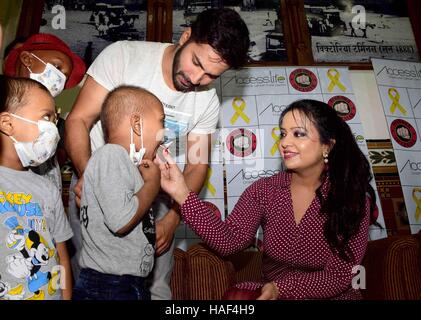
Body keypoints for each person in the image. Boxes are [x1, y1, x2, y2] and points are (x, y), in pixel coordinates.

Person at [64, 8, 250, 299]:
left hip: (156, 199)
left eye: (211, 75)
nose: (196, 78)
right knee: (89, 286)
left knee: (155, 290)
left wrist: (174, 218)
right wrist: (90, 177)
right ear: (185, 36)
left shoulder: (207, 102)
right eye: (196, 63)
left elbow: (197, 165)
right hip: (92, 182)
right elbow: (78, 120)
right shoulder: (123, 56)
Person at [158, 99, 378, 300]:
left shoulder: (353, 199)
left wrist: (281, 288)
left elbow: (340, 276)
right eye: (283, 134)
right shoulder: (265, 190)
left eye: (298, 134)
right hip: (271, 293)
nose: (285, 142)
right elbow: (229, 241)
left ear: (327, 146)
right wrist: (182, 194)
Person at [72, 86, 164, 300]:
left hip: (125, 282)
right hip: (110, 285)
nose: (163, 132)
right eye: (161, 121)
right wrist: (152, 184)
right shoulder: (111, 155)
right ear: (136, 124)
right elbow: (121, 221)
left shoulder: (122, 163)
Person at [0, 75, 73, 300]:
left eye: (54, 119)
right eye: (45, 117)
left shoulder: (47, 188)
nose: (52, 128)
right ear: (7, 123)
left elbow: (62, 257)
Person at [2, 33, 86, 193]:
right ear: (27, 59)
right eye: (57, 67)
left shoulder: (57, 125)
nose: (60, 80)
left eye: (65, 77)